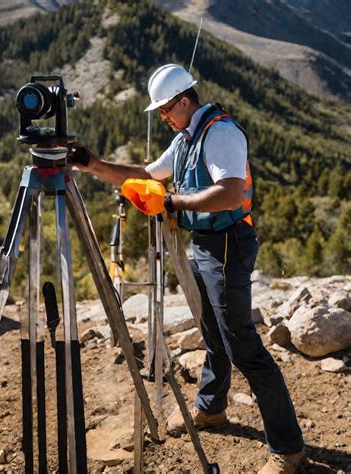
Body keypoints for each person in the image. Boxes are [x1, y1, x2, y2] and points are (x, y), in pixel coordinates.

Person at [69, 64, 305, 474]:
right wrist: (94, 164)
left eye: (164, 109)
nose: (162, 116)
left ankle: (288, 450)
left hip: (229, 243)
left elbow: (230, 193)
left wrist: (173, 203)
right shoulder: (184, 140)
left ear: (183, 101)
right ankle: (211, 408)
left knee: (243, 347)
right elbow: (146, 175)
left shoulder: (221, 133)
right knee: (211, 331)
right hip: (204, 243)